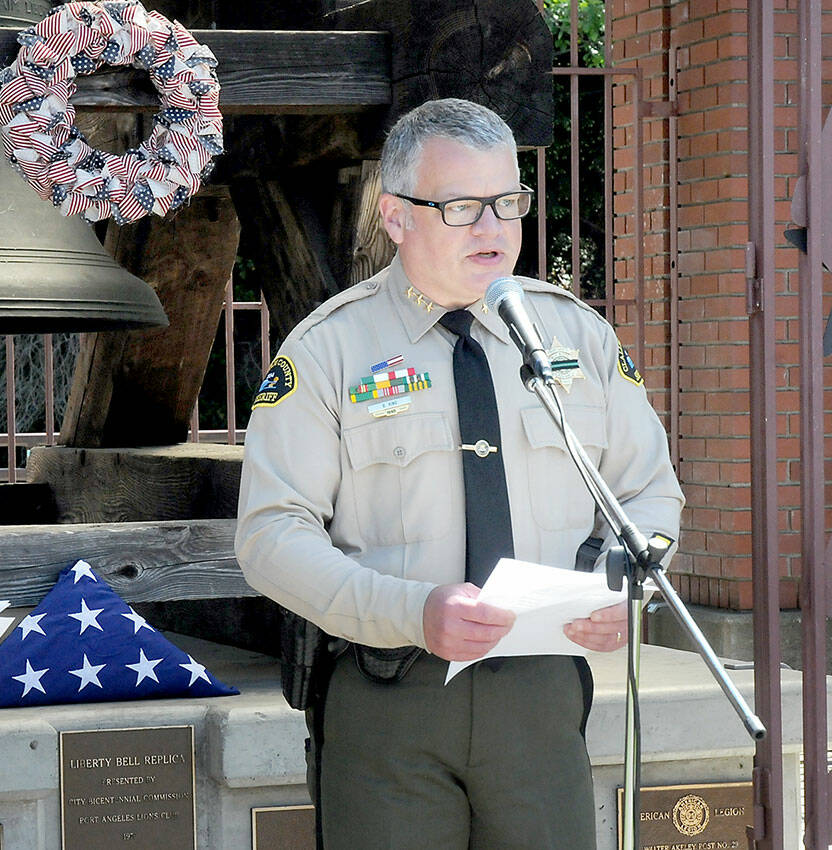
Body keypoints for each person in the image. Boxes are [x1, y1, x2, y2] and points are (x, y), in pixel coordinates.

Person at [235, 97, 684, 850]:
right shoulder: (328, 352)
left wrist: (622, 590)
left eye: (508, 202)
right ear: (396, 215)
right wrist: (411, 611)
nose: (494, 229)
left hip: (541, 691)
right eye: (462, 206)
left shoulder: (575, 336)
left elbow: (648, 494)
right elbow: (271, 537)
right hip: (389, 693)